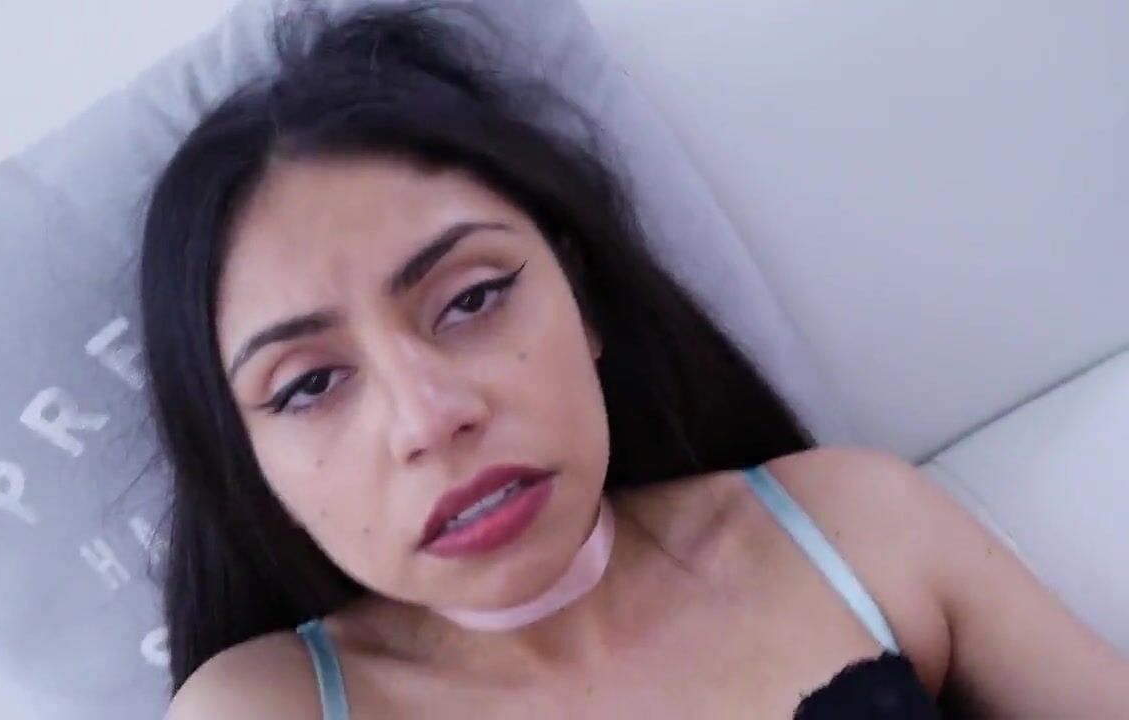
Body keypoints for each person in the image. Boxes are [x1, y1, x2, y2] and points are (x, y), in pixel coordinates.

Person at [140, 4, 1128, 718]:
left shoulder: (857, 529)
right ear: (251, 468)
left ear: (584, 300)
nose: (428, 417)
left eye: (471, 299)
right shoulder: (262, 707)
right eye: (308, 385)